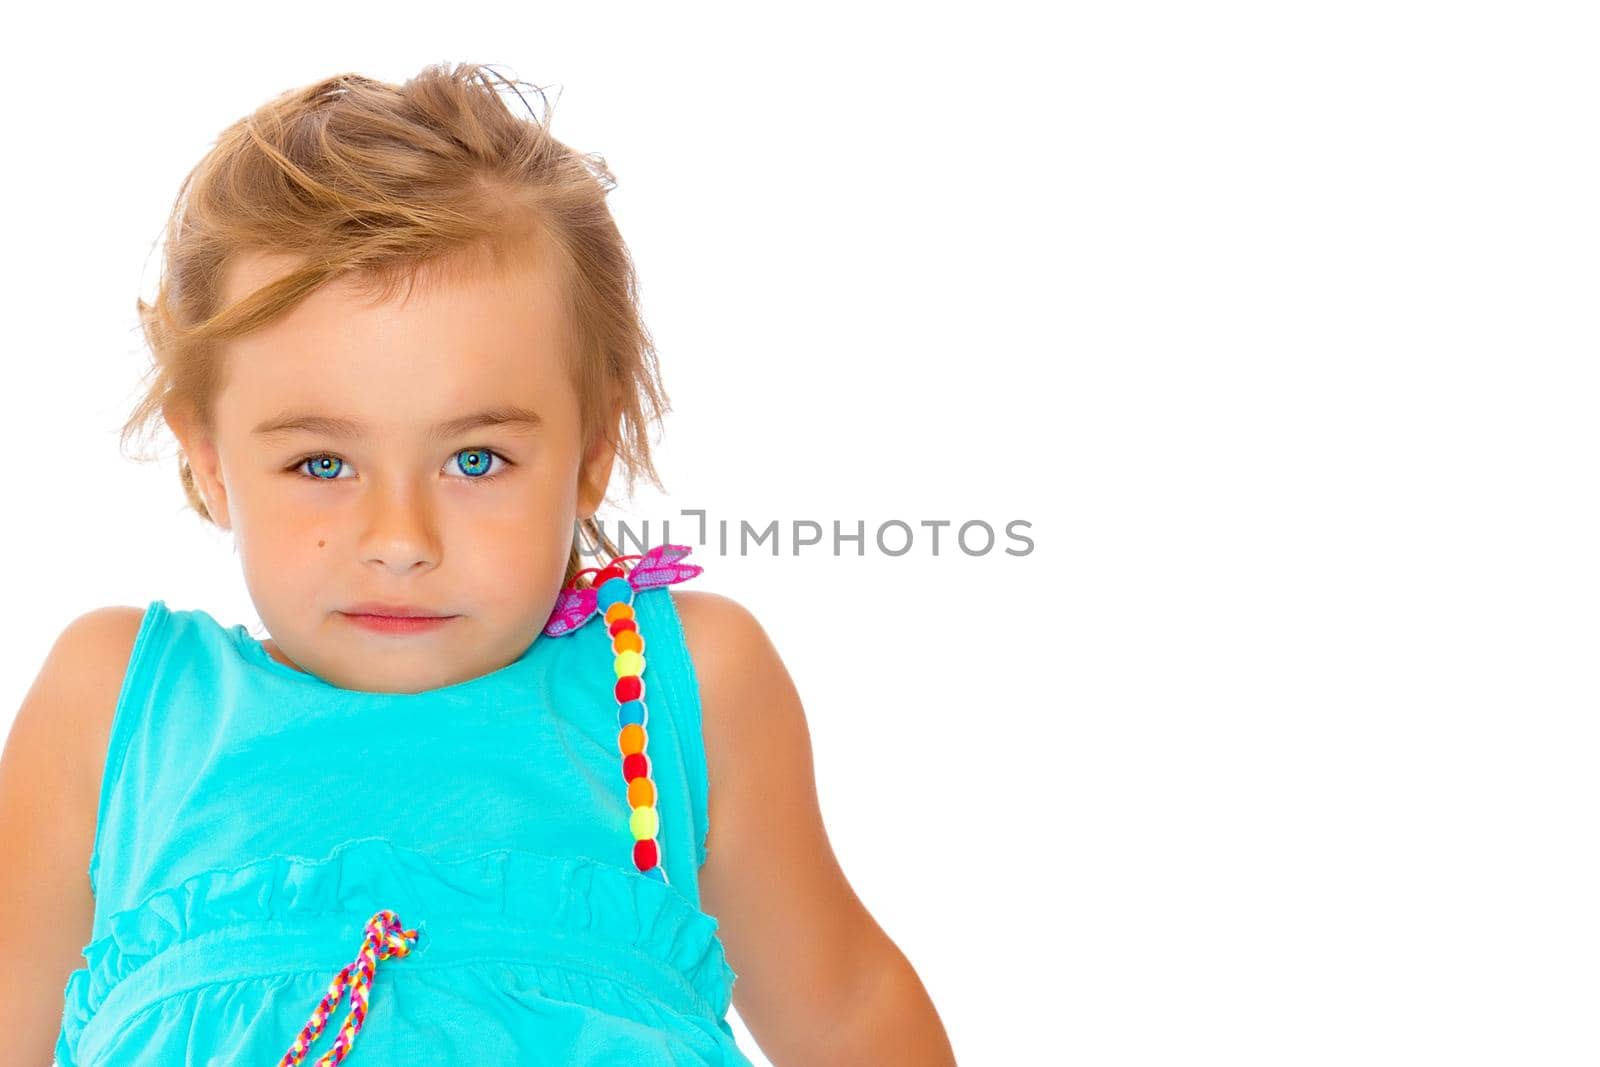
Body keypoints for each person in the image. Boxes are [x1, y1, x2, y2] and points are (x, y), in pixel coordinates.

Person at [0, 62, 955, 1065]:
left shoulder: (678, 682)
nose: (401, 537)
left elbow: (847, 1009)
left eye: (475, 459)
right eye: (320, 463)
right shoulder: (122, 704)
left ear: (591, 452)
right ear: (210, 458)